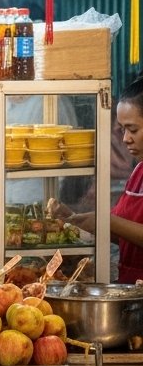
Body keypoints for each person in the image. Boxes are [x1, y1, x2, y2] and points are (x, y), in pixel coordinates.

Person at [51, 75, 143, 282]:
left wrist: (105, 220)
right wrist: (77, 220)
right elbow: (126, 237)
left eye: (133, 129)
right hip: (131, 289)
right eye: (122, 129)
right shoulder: (138, 172)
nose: (125, 138)